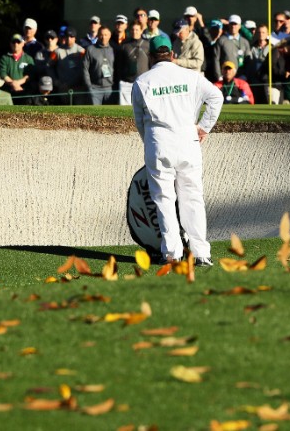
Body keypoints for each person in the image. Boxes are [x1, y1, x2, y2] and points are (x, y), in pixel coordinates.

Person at [131, 33, 223, 266]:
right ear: (172, 54)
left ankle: (172, 253)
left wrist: (150, 142)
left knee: (164, 198)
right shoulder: (190, 77)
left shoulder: (142, 82)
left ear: (151, 56)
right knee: (192, 197)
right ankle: (201, 252)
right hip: (187, 140)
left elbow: (140, 121)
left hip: (159, 141)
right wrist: (203, 128)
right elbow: (216, 97)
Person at [117, 22, 150, 105]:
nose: (134, 32)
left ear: (141, 31)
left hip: (144, 82)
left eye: (137, 30)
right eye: (132, 30)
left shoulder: (147, 45)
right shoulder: (125, 45)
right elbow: (120, 64)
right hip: (128, 83)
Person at [82, 25, 116, 104]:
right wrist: (89, 86)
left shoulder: (114, 50)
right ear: (98, 35)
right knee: (96, 115)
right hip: (95, 88)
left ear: (110, 36)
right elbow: (85, 69)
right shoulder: (90, 49)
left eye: (105, 35)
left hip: (110, 88)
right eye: (101, 35)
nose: (103, 37)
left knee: (110, 115)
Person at [0, 34, 35, 103]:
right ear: (10, 44)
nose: (16, 44)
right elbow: (3, 73)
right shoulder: (4, 58)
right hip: (8, 92)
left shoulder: (28, 58)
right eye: (13, 42)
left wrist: (18, 84)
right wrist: (13, 84)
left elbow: (30, 74)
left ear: (23, 43)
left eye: (18, 42)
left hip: (24, 91)